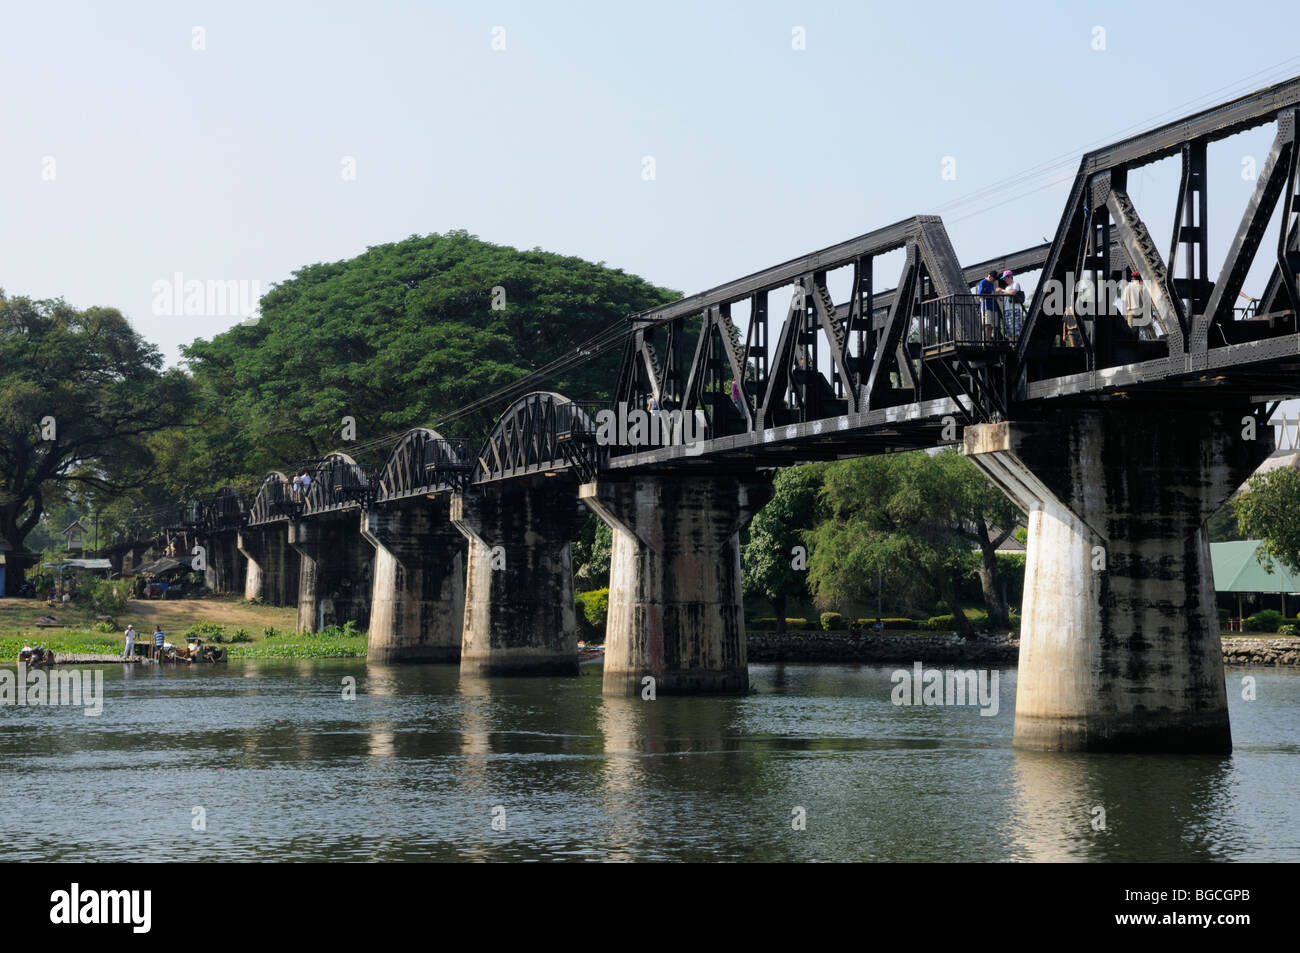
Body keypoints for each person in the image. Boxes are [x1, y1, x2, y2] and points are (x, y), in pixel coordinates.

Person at [1121, 271, 1154, 340]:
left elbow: (1125, 302)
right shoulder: (1144, 288)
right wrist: (1151, 314)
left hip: (1132, 313)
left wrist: (1126, 315)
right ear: (1140, 278)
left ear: (1133, 278)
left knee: (1131, 332)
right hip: (1142, 312)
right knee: (1150, 330)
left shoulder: (1127, 288)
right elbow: (1148, 302)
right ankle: (1156, 342)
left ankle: (1131, 347)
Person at [998, 269, 1024, 338]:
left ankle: (1016, 345)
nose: (1004, 279)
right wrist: (999, 294)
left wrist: (1001, 290)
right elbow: (1003, 299)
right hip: (1007, 310)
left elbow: (1013, 292)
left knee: (1016, 330)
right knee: (1008, 330)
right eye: (1003, 278)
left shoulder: (1015, 284)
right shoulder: (1006, 288)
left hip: (1014, 309)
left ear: (1010, 276)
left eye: (1005, 278)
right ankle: (1011, 345)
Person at [975, 270, 1000, 340]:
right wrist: (990, 295)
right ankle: (985, 341)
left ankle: (988, 341)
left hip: (993, 306)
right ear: (989, 276)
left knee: (991, 326)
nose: (994, 281)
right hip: (986, 307)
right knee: (987, 325)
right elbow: (979, 295)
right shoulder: (983, 282)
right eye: (994, 279)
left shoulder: (991, 283)